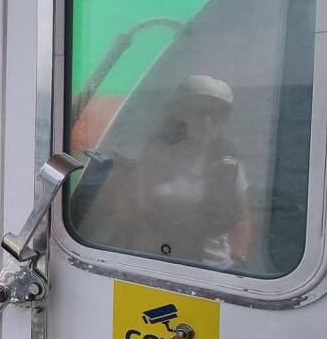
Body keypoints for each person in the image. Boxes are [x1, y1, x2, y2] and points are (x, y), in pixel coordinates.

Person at [70, 74, 253, 269]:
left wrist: (238, 262)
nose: (208, 120)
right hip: (152, 269)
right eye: (200, 111)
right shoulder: (143, 157)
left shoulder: (228, 163)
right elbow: (108, 208)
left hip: (214, 274)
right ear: (178, 112)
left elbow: (242, 220)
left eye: (218, 114)